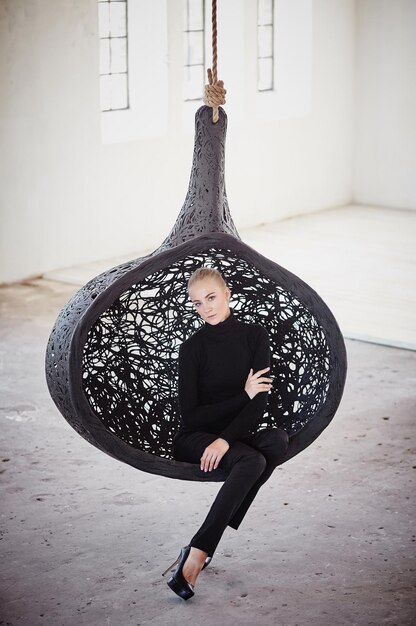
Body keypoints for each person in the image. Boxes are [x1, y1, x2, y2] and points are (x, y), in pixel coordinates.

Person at [162, 267, 289, 600]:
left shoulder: (254, 336)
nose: (206, 308)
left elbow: (259, 403)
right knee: (250, 460)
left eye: (211, 297)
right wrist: (241, 398)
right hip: (195, 438)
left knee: (275, 441)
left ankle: (200, 541)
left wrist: (226, 438)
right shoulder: (192, 349)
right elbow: (191, 414)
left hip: (229, 438)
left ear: (227, 293)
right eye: (197, 303)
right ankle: (198, 555)